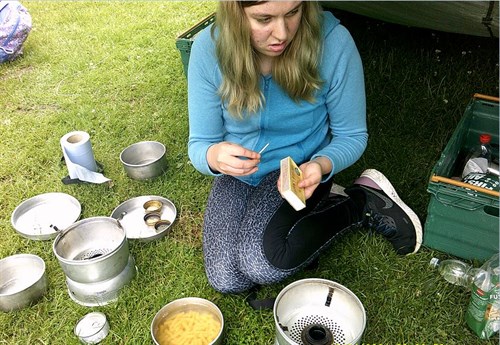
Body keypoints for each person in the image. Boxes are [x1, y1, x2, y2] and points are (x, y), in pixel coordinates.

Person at [187, 1, 422, 294]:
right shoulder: (208, 49)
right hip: (240, 176)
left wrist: (322, 164)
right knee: (227, 279)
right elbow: (199, 144)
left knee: (261, 264)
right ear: (235, 13)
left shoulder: (334, 43)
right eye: (264, 19)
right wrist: (214, 157)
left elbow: (352, 135)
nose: (282, 33)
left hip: (301, 173)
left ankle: (358, 205)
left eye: (293, 13)